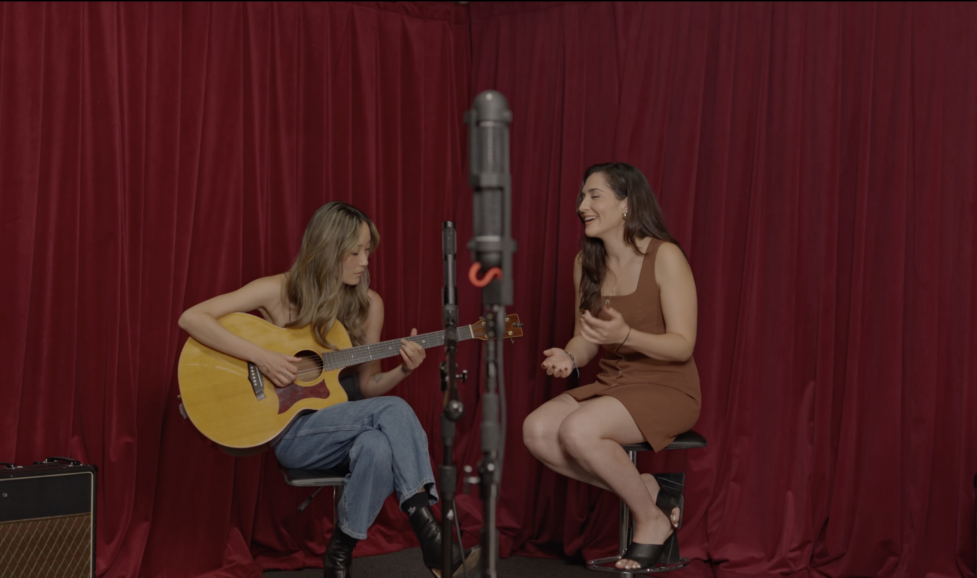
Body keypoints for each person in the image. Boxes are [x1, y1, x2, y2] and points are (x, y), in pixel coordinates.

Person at [179, 201, 479, 578]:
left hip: (345, 426)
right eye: (354, 252)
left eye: (368, 250)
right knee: (395, 411)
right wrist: (264, 358)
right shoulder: (278, 290)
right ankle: (432, 539)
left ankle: (338, 556)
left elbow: (369, 387)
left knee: (377, 445)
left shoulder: (369, 305)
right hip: (292, 432)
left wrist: (403, 369)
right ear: (326, 249)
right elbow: (191, 317)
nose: (365, 261)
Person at [522, 163, 701, 571]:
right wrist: (569, 356)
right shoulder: (586, 263)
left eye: (594, 195)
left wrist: (625, 337)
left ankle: (651, 520)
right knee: (536, 431)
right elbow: (585, 338)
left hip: (668, 387)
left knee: (577, 429)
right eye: (582, 197)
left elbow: (682, 345)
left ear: (626, 204)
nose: (583, 205)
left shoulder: (665, 256)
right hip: (613, 384)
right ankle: (647, 489)